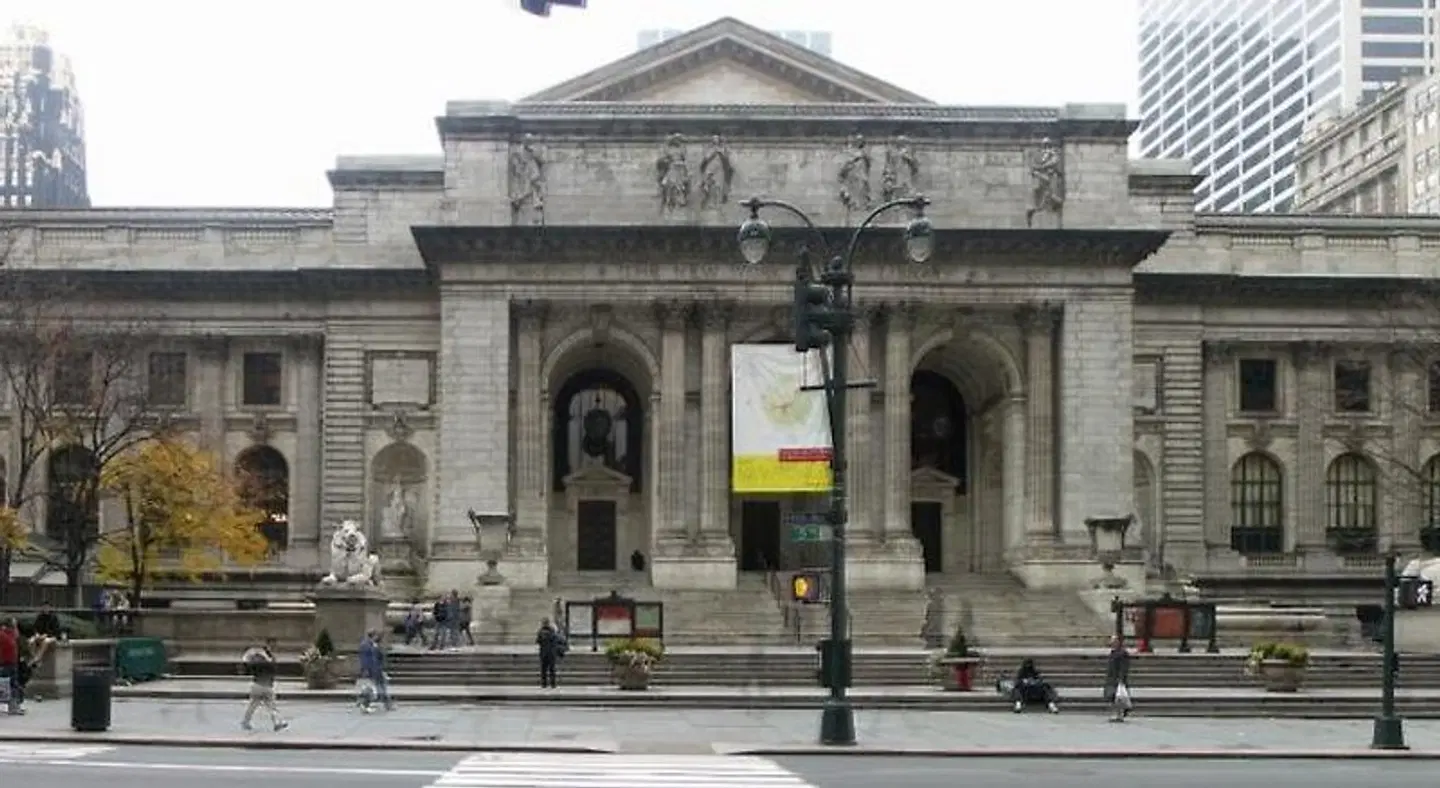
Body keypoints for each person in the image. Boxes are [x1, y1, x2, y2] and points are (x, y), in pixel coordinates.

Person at [240, 637, 289, 732]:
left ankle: (246, 722)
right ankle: (277, 723)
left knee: (254, 705)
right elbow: (272, 668)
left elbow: (250, 666)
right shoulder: (266, 657)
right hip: (264, 685)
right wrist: (270, 662)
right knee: (270, 706)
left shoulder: (258, 656)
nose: (274, 647)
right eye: (273, 645)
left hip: (258, 684)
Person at [357, 630, 394, 713]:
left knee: (381, 686)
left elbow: (377, 657)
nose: (377, 637)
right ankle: (364, 703)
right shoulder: (365, 645)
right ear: (373, 636)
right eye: (376, 636)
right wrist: (366, 669)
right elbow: (365, 659)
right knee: (372, 688)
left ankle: (387, 703)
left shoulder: (373, 644)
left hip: (377, 669)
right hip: (371, 670)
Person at [1104, 636, 1133, 722]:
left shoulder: (1122, 653)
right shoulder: (1113, 652)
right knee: (1113, 697)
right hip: (1112, 678)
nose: (1112, 643)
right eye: (1112, 641)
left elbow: (1124, 667)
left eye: (1114, 641)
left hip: (1118, 678)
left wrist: (1121, 678)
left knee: (1119, 698)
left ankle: (1120, 714)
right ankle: (1118, 714)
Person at [536, 618, 565, 689]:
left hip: (544, 653)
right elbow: (556, 640)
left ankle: (544, 684)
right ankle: (553, 684)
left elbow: (538, 641)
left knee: (544, 670)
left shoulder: (541, 632)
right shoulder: (552, 631)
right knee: (551, 669)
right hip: (551, 653)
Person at [0, 618, 21, 715]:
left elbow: (17, 636)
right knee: (9, 685)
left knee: (13, 684)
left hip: (11, 662)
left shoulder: (11, 634)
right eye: (14, 624)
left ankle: (14, 707)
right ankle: (13, 707)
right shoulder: (3, 635)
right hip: (5, 662)